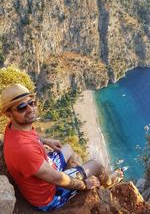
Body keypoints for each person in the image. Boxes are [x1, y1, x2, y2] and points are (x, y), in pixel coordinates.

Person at [1, 84, 123, 212]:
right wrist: (85, 184)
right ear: (9, 114)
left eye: (32, 103)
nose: (30, 109)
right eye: (22, 107)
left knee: (68, 148)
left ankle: (87, 174)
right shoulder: (24, 150)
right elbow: (57, 178)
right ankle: (109, 182)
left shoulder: (14, 127)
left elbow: (28, 139)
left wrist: (44, 140)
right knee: (96, 165)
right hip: (49, 196)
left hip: (43, 171)